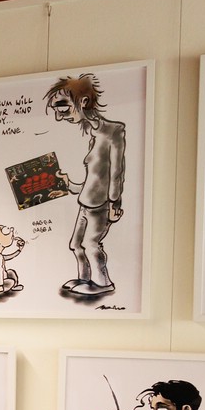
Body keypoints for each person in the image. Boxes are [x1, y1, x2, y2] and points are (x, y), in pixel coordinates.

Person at [45, 74, 127, 300]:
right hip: (86, 202)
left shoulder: (113, 132)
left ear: (82, 101)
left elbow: (116, 173)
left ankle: (102, 283)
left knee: (91, 244)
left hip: (100, 205)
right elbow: (95, 179)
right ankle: (84, 279)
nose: (59, 116)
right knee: (76, 245)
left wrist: (115, 203)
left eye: (62, 107)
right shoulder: (93, 134)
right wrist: (69, 185)